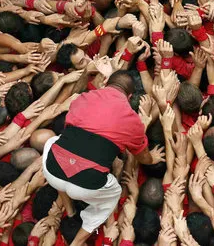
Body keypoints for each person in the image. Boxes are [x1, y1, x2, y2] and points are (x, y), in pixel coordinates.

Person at [42, 71, 164, 246]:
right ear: (129, 96)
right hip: (86, 187)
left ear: (106, 83)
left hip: (53, 171)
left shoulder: (82, 98)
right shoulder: (132, 119)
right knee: (113, 193)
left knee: (53, 141)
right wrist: (153, 158)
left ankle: (69, 210)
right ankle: (76, 243)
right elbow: (143, 157)